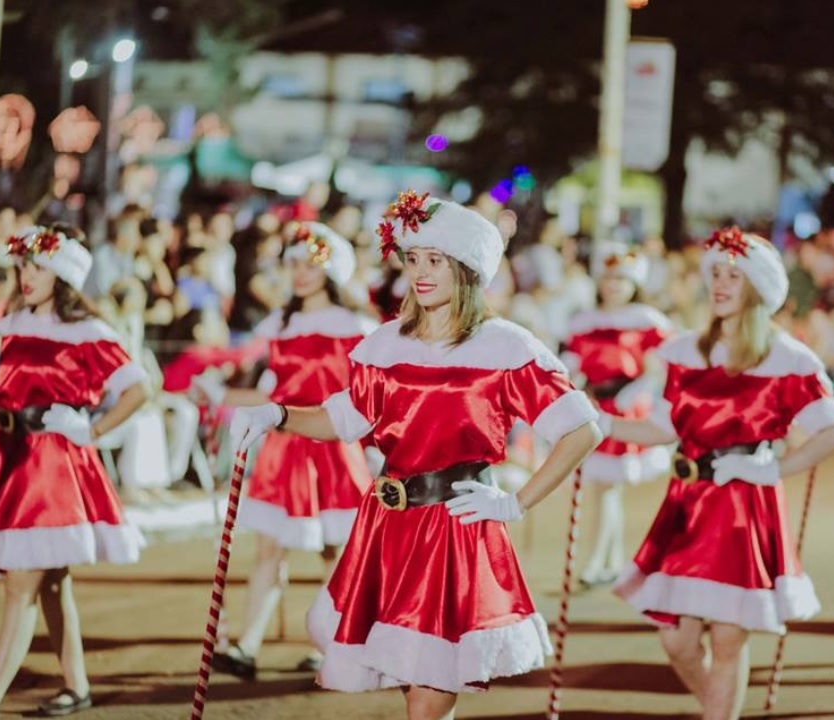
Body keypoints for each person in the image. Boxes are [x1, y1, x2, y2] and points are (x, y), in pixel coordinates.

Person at [226, 191, 602, 720]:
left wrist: (516, 502)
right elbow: (343, 420)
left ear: (466, 269)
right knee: (413, 687)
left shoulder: (505, 345)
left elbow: (582, 430)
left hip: (454, 529)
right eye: (413, 259)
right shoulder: (385, 343)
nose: (420, 273)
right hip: (387, 524)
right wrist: (278, 414)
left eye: (436, 261)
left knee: (427, 694)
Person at [608, 227, 834, 720]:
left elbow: (833, 432)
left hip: (743, 506)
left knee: (727, 638)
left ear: (757, 287)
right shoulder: (685, 352)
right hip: (689, 503)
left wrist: (774, 469)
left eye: (733, 276)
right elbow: (661, 427)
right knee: (676, 640)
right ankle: (719, 709)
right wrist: (589, 423)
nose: (719, 284)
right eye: (715, 273)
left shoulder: (787, 358)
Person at [0, 225, 149, 720]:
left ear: (63, 274)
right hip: (13, 460)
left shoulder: (88, 332)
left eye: (37, 268)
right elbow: (9, 406)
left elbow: (140, 389)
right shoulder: (15, 325)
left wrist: (92, 431)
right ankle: (76, 686)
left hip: (51, 470)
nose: (26, 276)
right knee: (52, 584)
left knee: (22, 585)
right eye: (23, 267)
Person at [193, 221, 376, 679]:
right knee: (270, 549)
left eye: (309, 264)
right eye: (293, 263)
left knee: (334, 551)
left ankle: (334, 641)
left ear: (330, 269)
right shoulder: (279, 325)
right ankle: (247, 646)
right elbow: (273, 395)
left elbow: (368, 396)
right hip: (283, 450)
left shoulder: (356, 328)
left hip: (333, 448)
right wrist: (221, 397)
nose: (299, 273)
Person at [561, 242, 673, 587]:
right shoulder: (583, 321)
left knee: (607, 487)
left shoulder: (645, 321)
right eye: (608, 279)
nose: (613, 286)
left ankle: (598, 562)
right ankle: (610, 560)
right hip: (593, 406)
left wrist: (638, 387)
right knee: (605, 488)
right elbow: (572, 361)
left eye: (621, 280)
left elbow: (661, 366)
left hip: (626, 408)